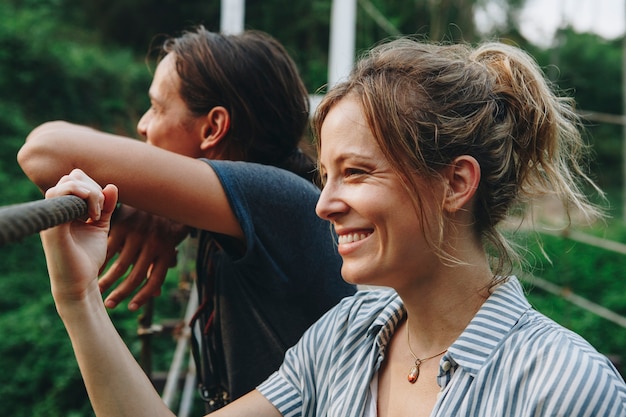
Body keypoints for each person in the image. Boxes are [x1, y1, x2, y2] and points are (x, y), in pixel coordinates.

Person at [36, 36, 626, 417]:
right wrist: (78, 297)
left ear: (455, 183)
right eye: (325, 175)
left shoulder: (563, 387)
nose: (322, 204)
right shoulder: (343, 339)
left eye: (357, 172)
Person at [17, 26, 355, 411]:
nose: (143, 125)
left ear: (213, 127)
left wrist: (154, 203)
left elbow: (43, 151)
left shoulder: (278, 198)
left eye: (158, 107)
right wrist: (165, 210)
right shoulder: (261, 209)